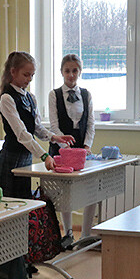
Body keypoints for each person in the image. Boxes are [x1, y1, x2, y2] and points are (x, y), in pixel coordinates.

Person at [0, 51, 71, 198]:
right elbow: (22, 134)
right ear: (13, 72)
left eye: (32, 75)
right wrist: (44, 156)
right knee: (9, 201)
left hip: (26, 157)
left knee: (24, 200)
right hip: (11, 157)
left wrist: (54, 137)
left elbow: (37, 127)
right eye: (26, 75)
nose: (29, 79)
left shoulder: (30, 97)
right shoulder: (7, 98)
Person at [47, 54, 97, 241]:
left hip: (82, 149)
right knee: (64, 193)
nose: (71, 75)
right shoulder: (54, 95)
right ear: (61, 72)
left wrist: (86, 146)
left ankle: (85, 234)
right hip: (61, 149)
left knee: (92, 190)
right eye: (67, 71)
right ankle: (67, 233)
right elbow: (54, 126)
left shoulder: (86, 94)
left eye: (74, 70)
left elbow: (90, 123)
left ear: (80, 71)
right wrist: (65, 147)